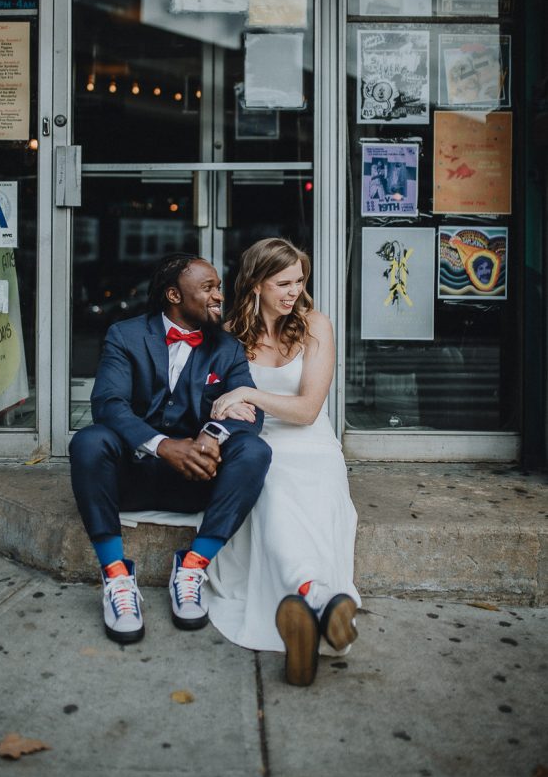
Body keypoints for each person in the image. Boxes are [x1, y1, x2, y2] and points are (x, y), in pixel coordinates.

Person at [69, 253, 272, 645]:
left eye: (218, 286)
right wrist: (163, 446)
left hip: (201, 478)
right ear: (174, 295)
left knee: (254, 451)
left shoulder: (227, 349)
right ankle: (116, 576)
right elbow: (109, 403)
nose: (219, 296)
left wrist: (210, 436)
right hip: (134, 474)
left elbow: (250, 411)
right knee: (89, 441)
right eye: (208, 288)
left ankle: (193, 568)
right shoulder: (125, 335)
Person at [206, 238, 360, 686]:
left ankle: (308, 601)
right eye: (282, 283)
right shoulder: (230, 332)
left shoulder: (316, 326)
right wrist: (225, 405)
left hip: (312, 444)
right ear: (255, 283)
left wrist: (247, 393)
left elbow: (308, 409)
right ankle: (321, 599)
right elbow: (216, 403)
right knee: (271, 493)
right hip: (260, 443)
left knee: (304, 501)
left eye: (299, 281)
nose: (294, 292)